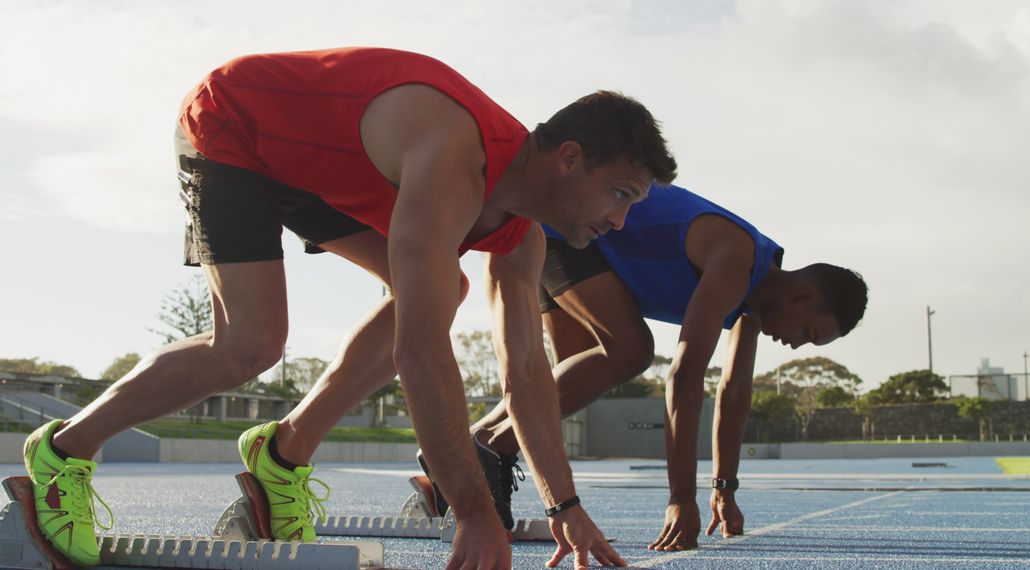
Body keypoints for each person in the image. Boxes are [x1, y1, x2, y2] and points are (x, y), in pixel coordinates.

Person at [21, 47, 676, 569]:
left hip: (319, 167)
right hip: (236, 126)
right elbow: (419, 350)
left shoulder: (521, 235)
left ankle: (283, 453)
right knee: (250, 344)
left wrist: (564, 502)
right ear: (568, 160)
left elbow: (526, 374)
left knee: (442, 288)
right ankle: (61, 452)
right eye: (620, 194)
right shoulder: (455, 157)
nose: (619, 221)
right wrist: (473, 510)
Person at [467, 183, 868, 551]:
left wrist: (724, 489)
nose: (797, 344)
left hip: (589, 250)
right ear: (800, 296)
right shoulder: (737, 259)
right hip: (572, 225)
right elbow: (686, 375)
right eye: (808, 333)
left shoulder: (755, 299)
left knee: (575, 378)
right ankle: (489, 449)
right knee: (631, 351)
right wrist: (680, 499)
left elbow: (734, 391)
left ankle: (468, 451)